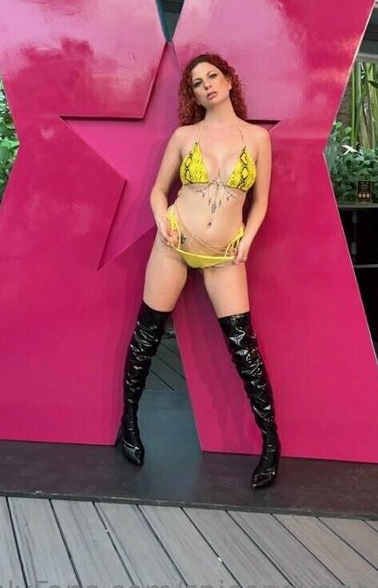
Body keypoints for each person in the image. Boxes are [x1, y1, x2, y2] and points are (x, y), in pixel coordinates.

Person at [117, 53, 280, 489]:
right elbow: (158, 191)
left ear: (229, 80)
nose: (206, 84)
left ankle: (270, 443)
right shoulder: (184, 136)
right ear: (193, 94)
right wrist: (161, 221)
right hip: (174, 244)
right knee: (147, 335)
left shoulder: (258, 138)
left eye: (212, 76)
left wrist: (247, 240)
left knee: (244, 347)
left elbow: (261, 200)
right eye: (196, 82)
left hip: (225, 254)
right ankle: (128, 423)